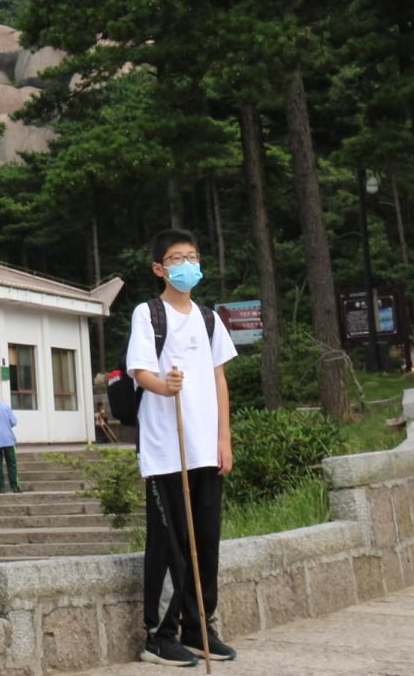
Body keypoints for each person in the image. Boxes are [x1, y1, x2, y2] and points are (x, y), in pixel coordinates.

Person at [126, 227, 238, 666]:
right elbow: (140, 372)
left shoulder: (209, 318)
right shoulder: (148, 314)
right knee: (170, 541)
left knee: (206, 539)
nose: (187, 265)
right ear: (159, 269)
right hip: (165, 450)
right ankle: (158, 634)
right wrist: (164, 385)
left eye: (192, 256)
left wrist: (224, 438)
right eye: (176, 259)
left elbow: (219, 379)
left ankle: (198, 626)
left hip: (205, 449)